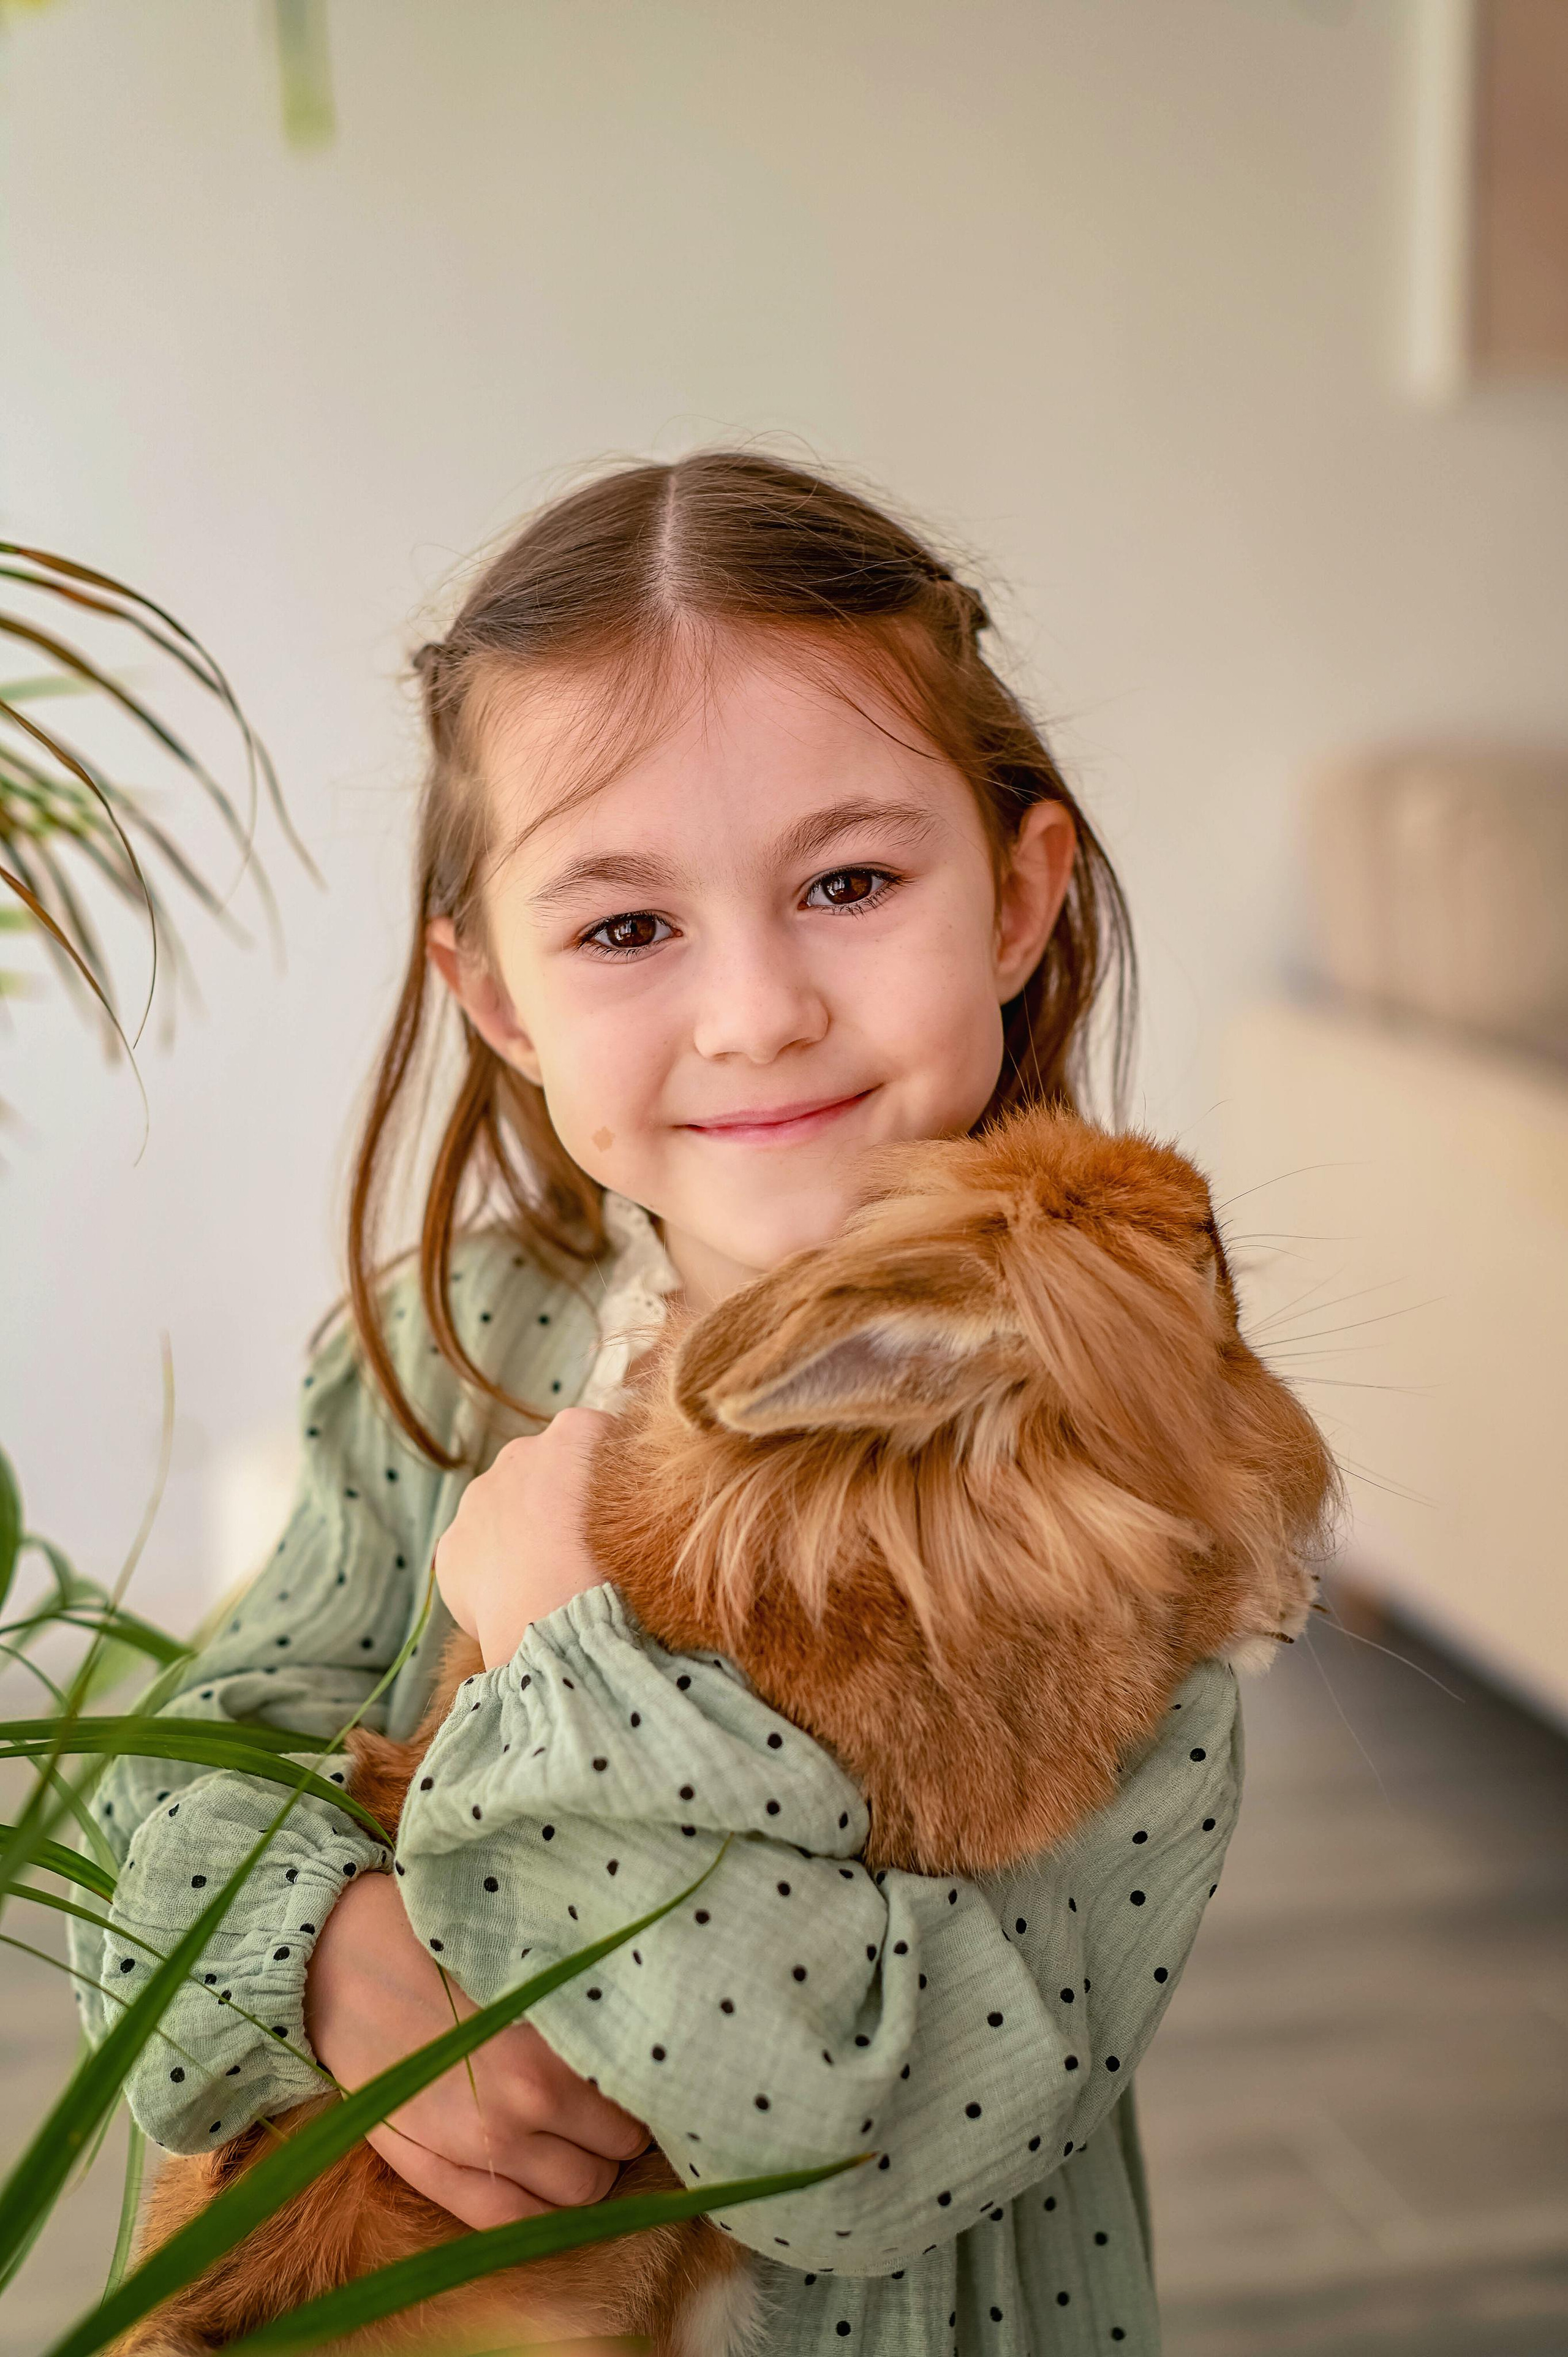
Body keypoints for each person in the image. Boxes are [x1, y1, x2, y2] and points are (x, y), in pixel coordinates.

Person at [74, 452, 1243, 2354]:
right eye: (627, 929)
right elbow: (191, 1771)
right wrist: (334, 1964)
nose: (756, 1009)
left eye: (849, 883)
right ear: (503, 999)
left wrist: (564, 1641)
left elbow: (895, 2145)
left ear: (1019, 902)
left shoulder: (1104, 1466)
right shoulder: (457, 1342)